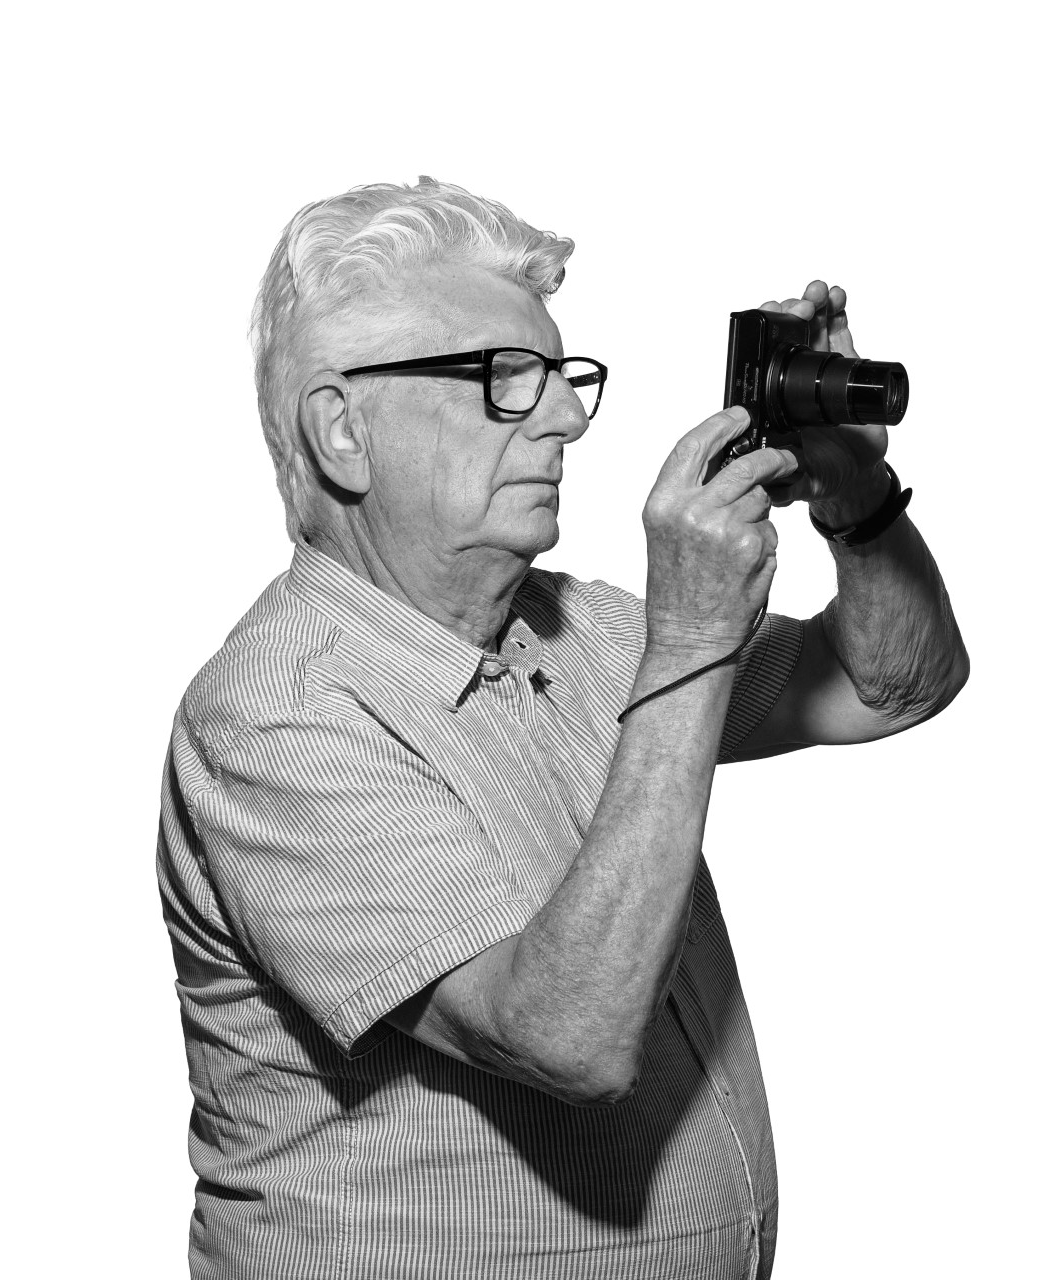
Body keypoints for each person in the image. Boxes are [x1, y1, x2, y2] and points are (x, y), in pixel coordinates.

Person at [157, 177, 970, 1280]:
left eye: (561, 376)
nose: (565, 419)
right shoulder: (276, 717)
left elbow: (894, 680)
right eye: (504, 379)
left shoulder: (573, 628)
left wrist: (852, 488)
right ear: (344, 431)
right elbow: (561, 1035)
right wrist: (689, 641)